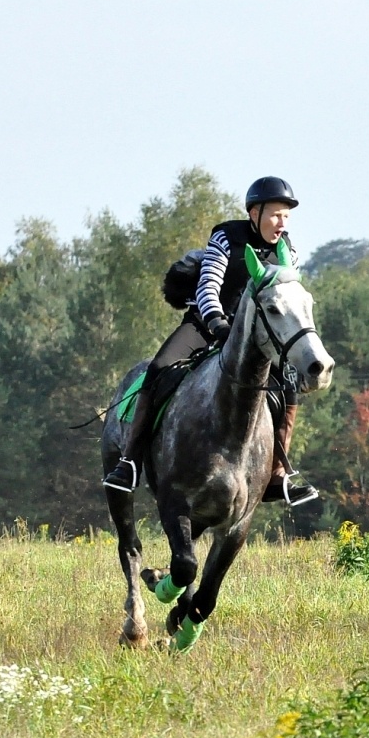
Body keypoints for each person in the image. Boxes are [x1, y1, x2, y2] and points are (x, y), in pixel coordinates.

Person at [102, 176, 319, 506]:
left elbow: (286, 301)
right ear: (254, 212)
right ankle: (129, 461)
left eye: (286, 217)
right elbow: (207, 287)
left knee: (287, 390)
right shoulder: (226, 238)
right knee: (158, 370)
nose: (281, 223)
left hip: (254, 338)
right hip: (205, 325)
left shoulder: (287, 251)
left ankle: (277, 474)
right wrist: (217, 323)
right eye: (276, 214)